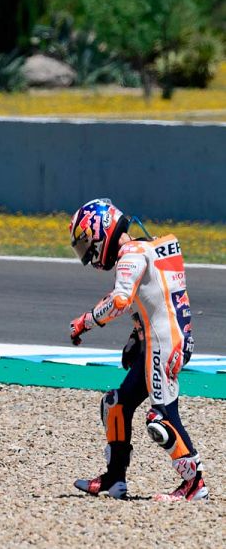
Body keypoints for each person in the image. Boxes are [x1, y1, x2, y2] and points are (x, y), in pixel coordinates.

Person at [68, 198, 207, 501]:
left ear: (101, 231)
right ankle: (115, 479)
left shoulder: (130, 254)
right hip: (162, 339)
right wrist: (137, 334)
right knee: (116, 405)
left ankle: (194, 484)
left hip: (164, 344)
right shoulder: (151, 246)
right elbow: (156, 298)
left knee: (161, 418)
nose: (89, 256)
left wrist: (85, 322)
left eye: (87, 245)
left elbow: (120, 300)